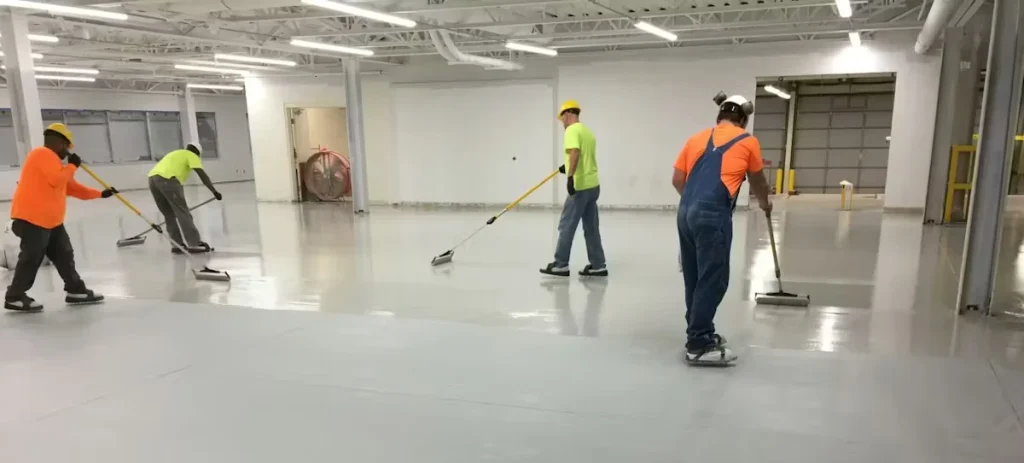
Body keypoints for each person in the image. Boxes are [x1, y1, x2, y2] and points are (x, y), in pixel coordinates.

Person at [672, 92, 772, 365]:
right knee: (713, 278)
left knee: (694, 277)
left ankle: (699, 331)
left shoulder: (695, 138)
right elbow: (758, 181)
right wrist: (765, 203)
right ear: (743, 120)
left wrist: (694, 203)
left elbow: (677, 179)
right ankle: (698, 343)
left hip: (685, 212)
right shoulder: (748, 141)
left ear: (720, 117)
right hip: (712, 214)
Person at [4, 123, 118, 312]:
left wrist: (100, 194)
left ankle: (76, 290)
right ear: (59, 142)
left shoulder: (56, 164)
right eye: (66, 147)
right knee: (31, 258)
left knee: (64, 256)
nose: (67, 152)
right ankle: (14, 297)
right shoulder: (41, 154)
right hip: (33, 219)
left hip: (52, 222)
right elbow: (56, 180)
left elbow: (72, 188)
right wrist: (72, 166)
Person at [540, 99, 607, 277]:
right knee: (591, 228)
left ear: (568, 113)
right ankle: (598, 265)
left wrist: (570, 176)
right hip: (593, 185)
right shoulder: (587, 131)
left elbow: (575, 152)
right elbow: (583, 155)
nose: (562, 122)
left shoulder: (571, 130)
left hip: (580, 186)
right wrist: (568, 165)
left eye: (562, 118)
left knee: (566, 225)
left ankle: (561, 264)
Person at [148, 143, 222, 254]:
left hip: (152, 179)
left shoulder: (176, 153)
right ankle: (194, 244)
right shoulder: (192, 155)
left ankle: (176, 244)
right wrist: (214, 191)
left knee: (169, 215)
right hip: (168, 180)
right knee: (182, 212)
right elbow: (202, 174)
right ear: (197, 153)